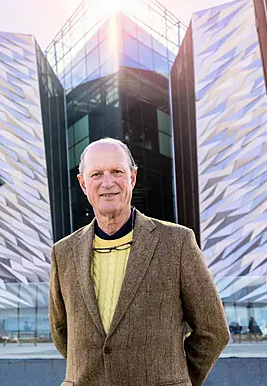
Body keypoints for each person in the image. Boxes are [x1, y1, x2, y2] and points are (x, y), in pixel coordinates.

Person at [49, 138, 229, 386]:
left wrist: (176, 378)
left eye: (117, 172)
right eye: (97, 174)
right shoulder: (63, 253)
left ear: (132, 178)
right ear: (83, 183)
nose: (107, 182)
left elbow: (213, 330)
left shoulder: (177, 243)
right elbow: (61, 331)